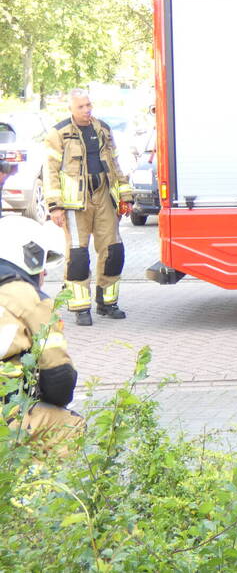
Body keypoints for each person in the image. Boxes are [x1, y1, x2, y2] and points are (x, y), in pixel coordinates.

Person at [43, 89, 133, 326]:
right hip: (75, 203)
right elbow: (50, 172)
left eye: (88, 105)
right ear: (71, 109)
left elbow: (115, 164)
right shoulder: (58, 133)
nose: (86, 110)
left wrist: (126, 195)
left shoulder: (103, 129)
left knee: (114, 250)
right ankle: (81, 308)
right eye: (81, 107)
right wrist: (55, 207)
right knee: (78, 256)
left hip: (103, 196)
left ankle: (107, 303)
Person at [1, 216, 85, 455]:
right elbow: (59, 378)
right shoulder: (29, 298)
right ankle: (31, 480)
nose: (44, 272)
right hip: (5, 414)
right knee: (68, 426)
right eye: (41, 263)